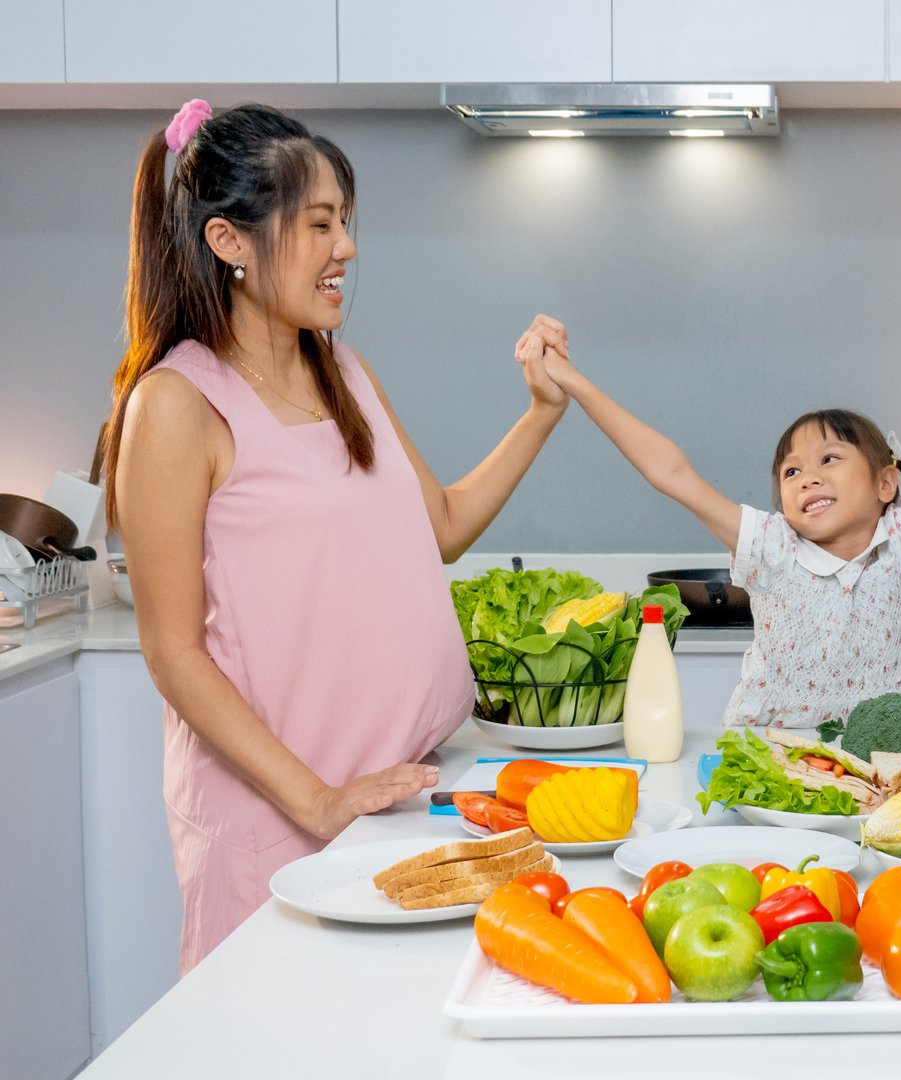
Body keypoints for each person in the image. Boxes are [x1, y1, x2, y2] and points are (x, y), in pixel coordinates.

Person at [103, 100, 572, 972]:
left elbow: (442, 527)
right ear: (230, 241)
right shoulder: (176, 407)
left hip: (397, 794)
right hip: (283, 818)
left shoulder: (346, 373)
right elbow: (172, 654)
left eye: (344, 223)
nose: (346, 248)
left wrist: (541, 415)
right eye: (319, 224)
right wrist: (316, 802)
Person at [516, 259, 901, 728]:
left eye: (829, 459)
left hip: (879, 774)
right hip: (769, 768)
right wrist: (574, 383)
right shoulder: (770, 546)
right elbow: (671, 471)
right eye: (790, 473)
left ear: (886, 483)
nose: (806, 477)